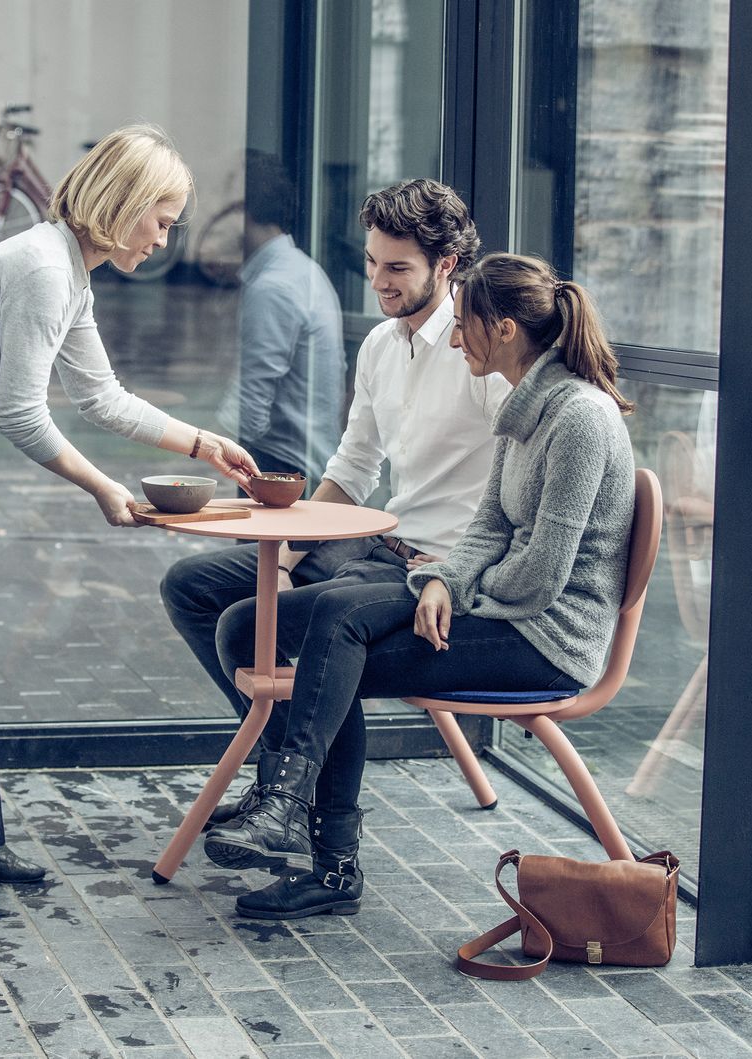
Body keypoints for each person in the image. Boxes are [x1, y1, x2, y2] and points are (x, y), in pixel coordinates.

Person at [0, 124, 258, 908]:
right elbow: (25, 415)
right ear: (121, 203)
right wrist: (103, 488)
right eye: (160, 219)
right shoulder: (41, 268)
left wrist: (204, 444)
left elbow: (101, 396)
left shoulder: (69, 271)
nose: (165, 240)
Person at [202, 253, 636, 918]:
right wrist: (440, 581)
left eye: (466, 324)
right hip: (499, 606)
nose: (456, 338)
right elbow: (488, 528)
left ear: (507, 330)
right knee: (244, 625)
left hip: (542, 637)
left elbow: (544, 575)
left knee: (336, 641)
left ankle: (318, 843)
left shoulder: (579, 417)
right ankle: (288, 800)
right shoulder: (526, 408)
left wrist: (453, 591)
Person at [159, 178, 507, 917]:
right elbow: (351, 470)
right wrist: (286, 553)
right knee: (200, 590)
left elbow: (522, 491)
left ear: (447, 265)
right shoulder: (383, 346)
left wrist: (451, 568)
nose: (378, 282)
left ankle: (312, 827)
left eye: (398, 269)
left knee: (321, 624)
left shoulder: (479, 352)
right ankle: (286, 776)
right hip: (387, 546)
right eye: (374, 264)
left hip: (447, 573)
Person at [214, 151, 345, 485]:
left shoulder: (273, 287)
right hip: (302, 459)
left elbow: (249, 411)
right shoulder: (301, 270)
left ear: (243, 211)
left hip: (280, 465)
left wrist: (201, 453)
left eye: (224, 204)